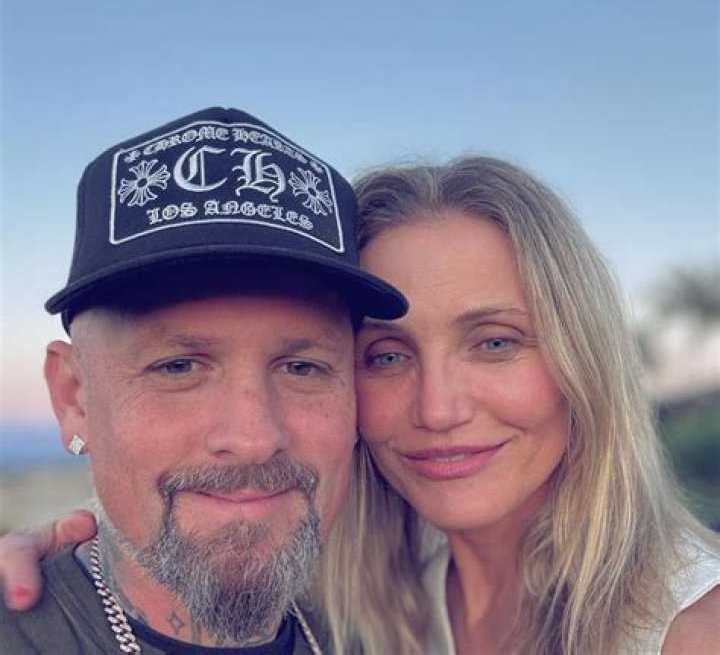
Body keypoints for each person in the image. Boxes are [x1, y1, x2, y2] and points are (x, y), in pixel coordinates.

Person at [3, 156, 719, 654]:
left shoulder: (690, 629)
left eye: (496, 343)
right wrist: (90, 549)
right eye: (386, 356)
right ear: (73, 396)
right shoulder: (357, 579)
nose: (438, 410)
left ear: (584, 360)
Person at [0, 105, 407, 654]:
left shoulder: (387, 635)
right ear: (74, 398)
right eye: (178, 366)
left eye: (302, 368)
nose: (253, 439)